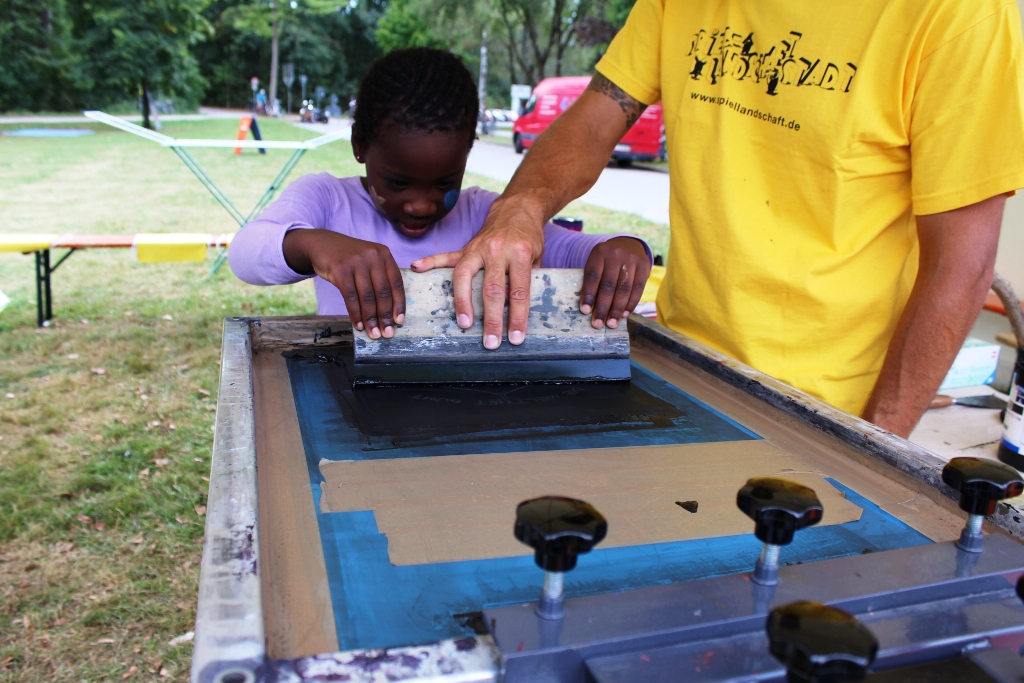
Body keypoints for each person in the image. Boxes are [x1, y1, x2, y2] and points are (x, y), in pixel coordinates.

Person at [433, 0, 1024, 438]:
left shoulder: (957, 14)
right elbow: (593, 122)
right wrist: (518, 209)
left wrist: (873, 450)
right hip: (679, 368)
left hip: (827, 413)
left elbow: (960, 267)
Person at [229, 48, 653, 341]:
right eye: (398, 183)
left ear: (467, 154)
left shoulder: (488, 216)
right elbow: (245, 253)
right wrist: (317, 246)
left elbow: (573, 249)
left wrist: (624, 249)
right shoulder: (326, 200)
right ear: (359, 146)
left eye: (444, 183)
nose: (421, 204)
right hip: (353, 387)